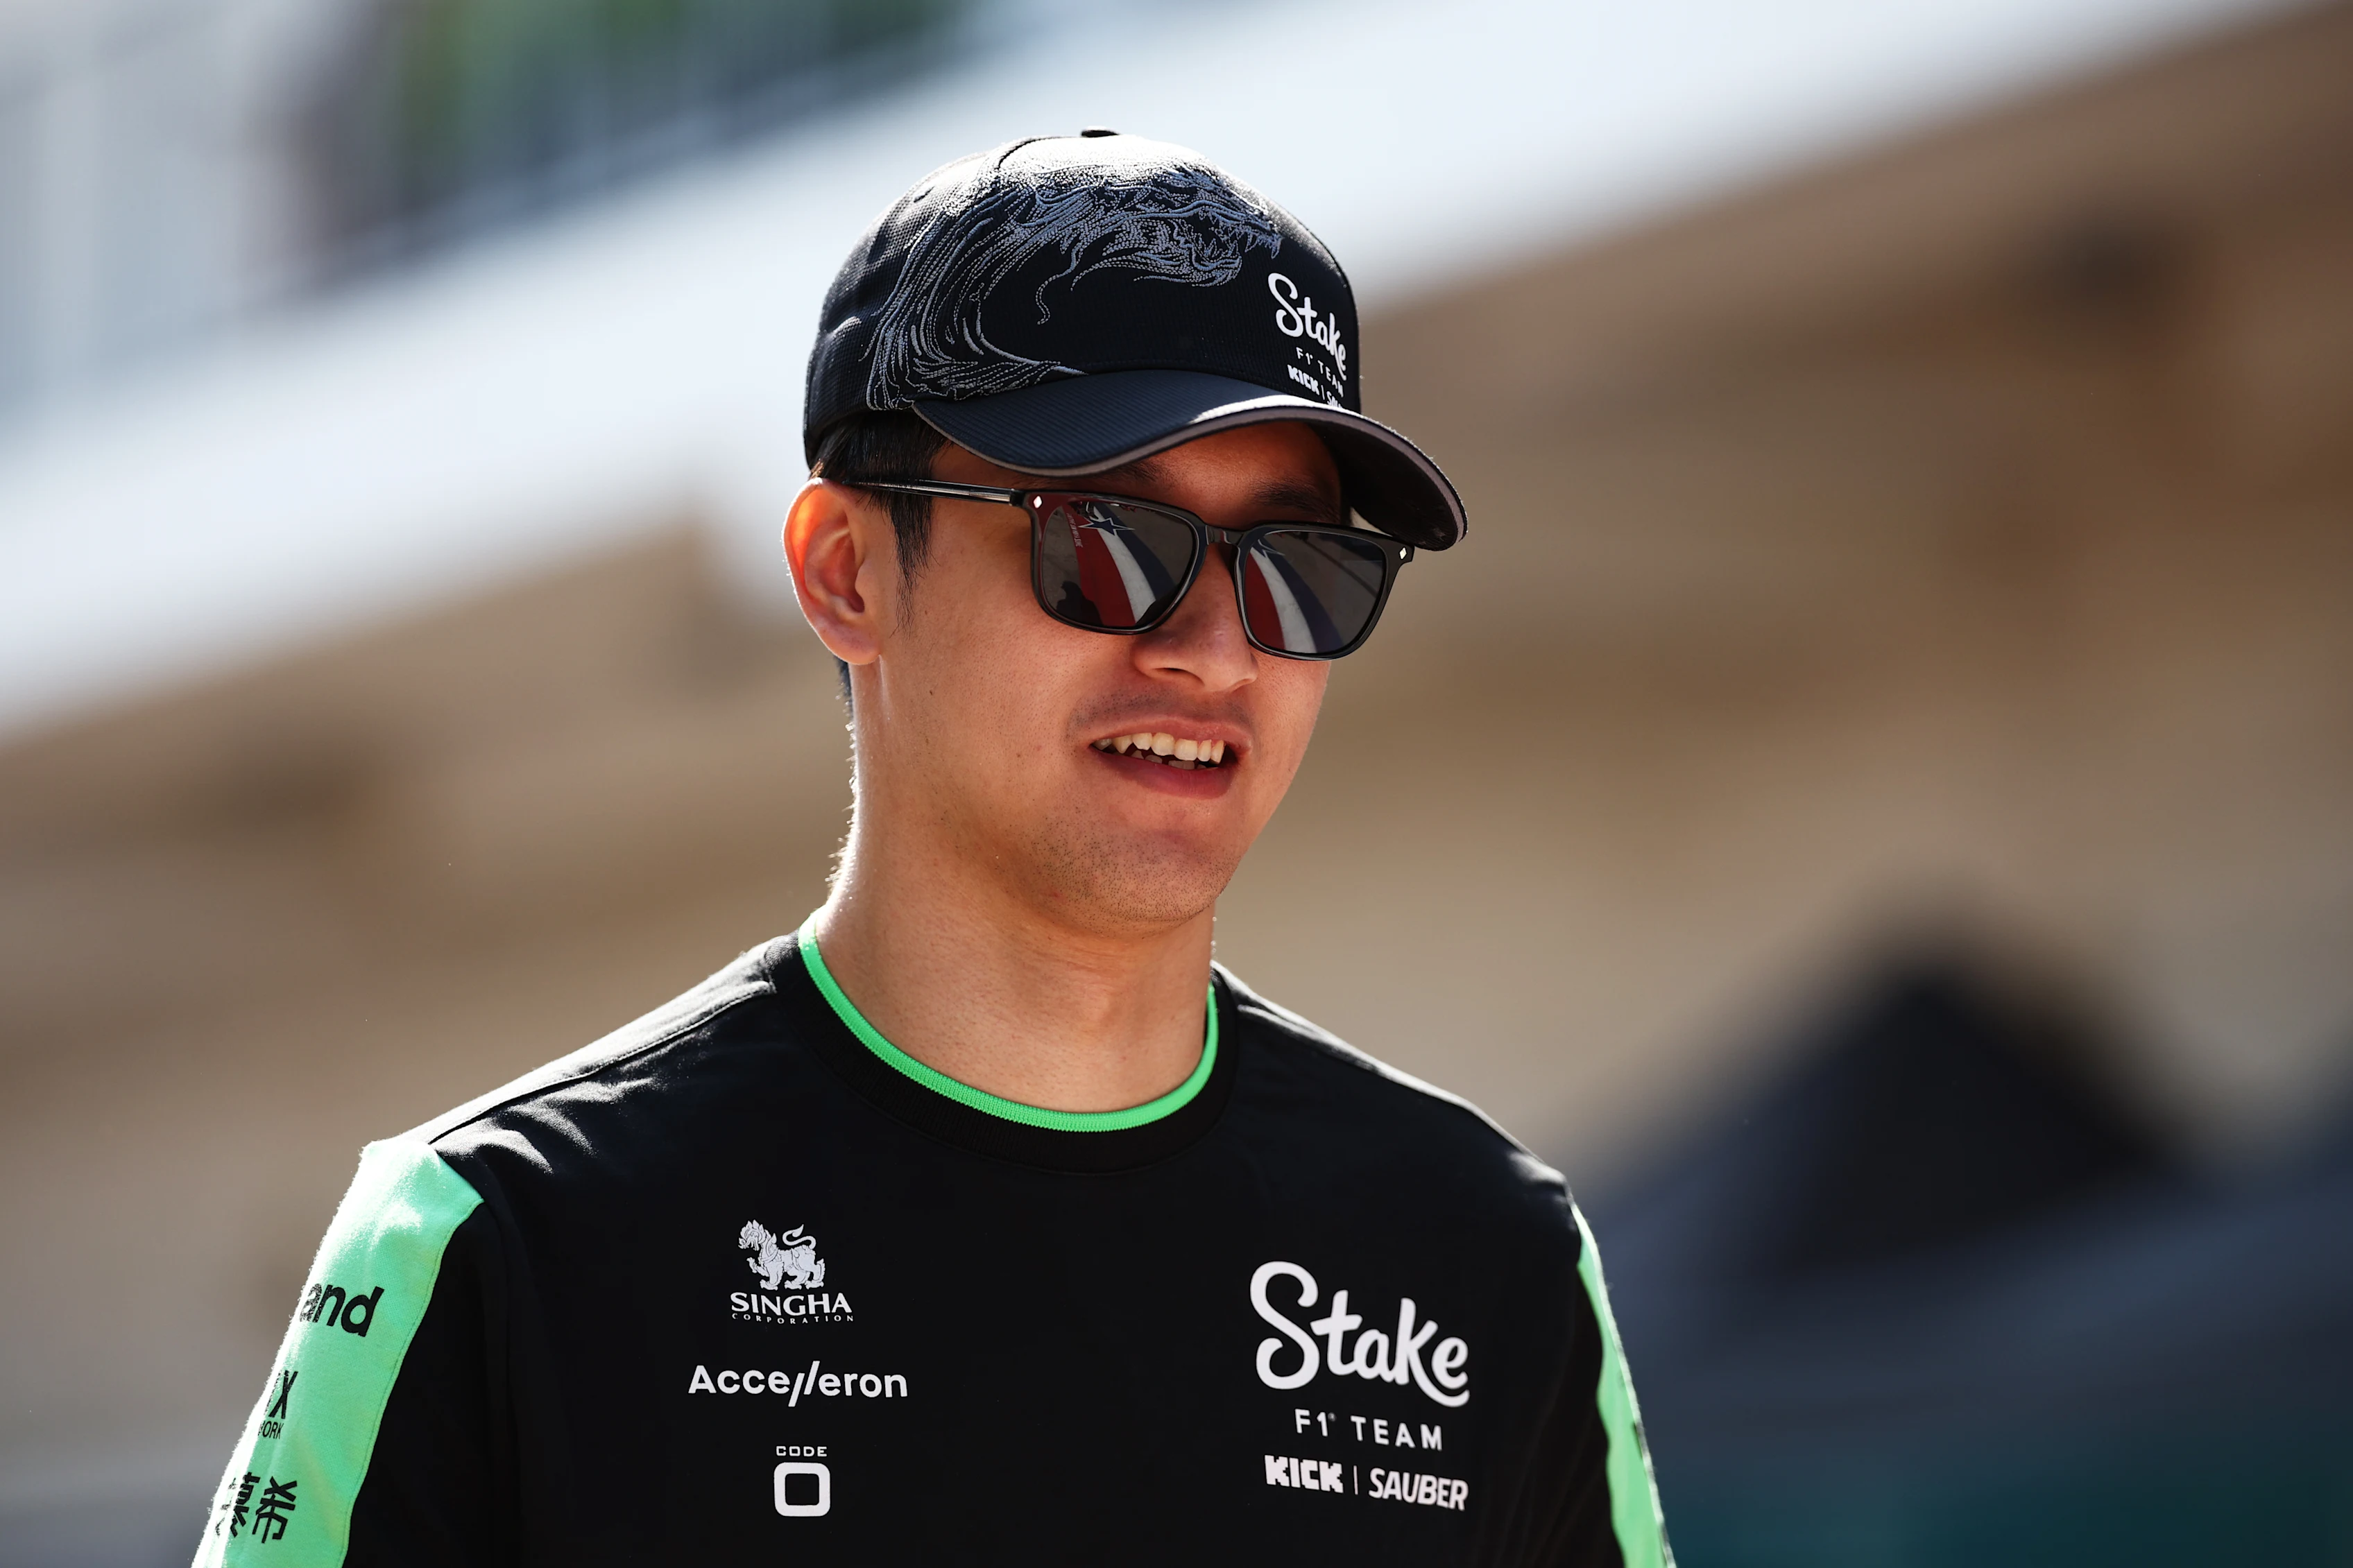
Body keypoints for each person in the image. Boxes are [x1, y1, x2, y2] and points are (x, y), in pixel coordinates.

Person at [192, 130, 1670, 1567]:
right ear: (845, 571)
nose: (1213, 648)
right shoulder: (490, 1240)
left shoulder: (1489, 1259)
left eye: (1301, 565)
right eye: (1103, 537)